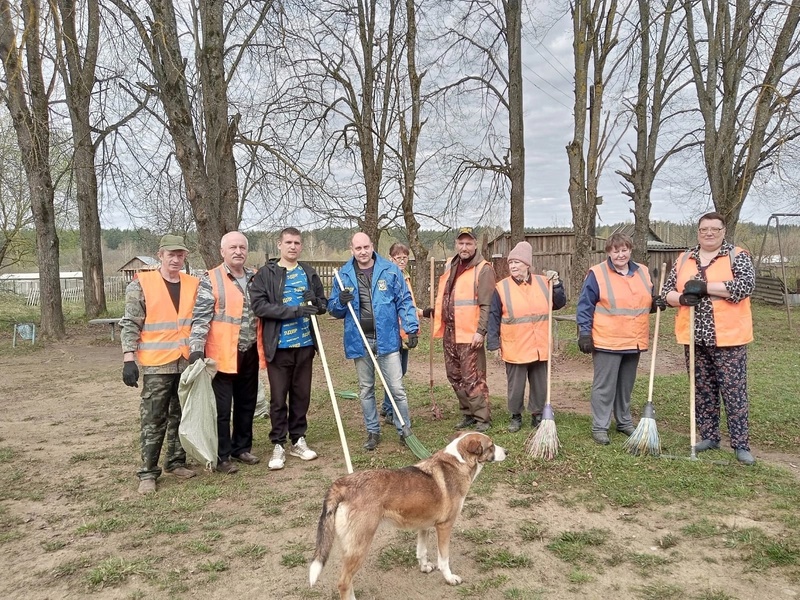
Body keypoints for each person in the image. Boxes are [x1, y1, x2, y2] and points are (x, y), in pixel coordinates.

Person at [662, 212, 756, 465]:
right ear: (698, 231)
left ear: (724, 231)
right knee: (702, 390)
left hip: (728, 337)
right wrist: (681, 298)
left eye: (715, 229)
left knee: (734, 392)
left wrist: (704, 287)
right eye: (704, 229)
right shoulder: (684, 258)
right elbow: (666, 292)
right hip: (694, 336)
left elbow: (745, 286)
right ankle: (709, 436)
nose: (709, 233)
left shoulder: (737, 256)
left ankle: (740, 444)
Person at [120, 234, 199, 495]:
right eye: (171, 254)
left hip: (185, 362)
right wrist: (128, 357)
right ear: (160, 255)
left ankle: (176, 461)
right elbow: (131, 322)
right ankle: (148, 472)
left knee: (180, 415)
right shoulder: (142, 284)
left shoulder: (193, 284)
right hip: (156, 365)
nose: (176, 259)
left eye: (180, 255)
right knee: (154, 418)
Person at [328, 232, 420, 450]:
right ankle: (372, 431)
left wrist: (411, 327)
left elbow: (404, 300)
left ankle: (404, 429)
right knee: (366, 389)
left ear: (372, 247)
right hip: (360, 340)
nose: (363, 252)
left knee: (396, 388)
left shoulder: (390, 271)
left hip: (387, 340)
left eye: (366, 247)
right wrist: (340, 302)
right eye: (358, 248)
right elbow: (334, 309)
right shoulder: (343, 275)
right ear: (352, 250)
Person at [250, 227, 327, 470]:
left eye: (297, 243)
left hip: (305, 345)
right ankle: (278, 443)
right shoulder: (267, 274)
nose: (293, 246)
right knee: (278, 397)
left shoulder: (308, 272)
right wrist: (294, 310)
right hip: (279, 345)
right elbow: (260, 306)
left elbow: (321, 304)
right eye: (288, 242)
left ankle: (298, 439)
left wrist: (314, 302)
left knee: (301, 395)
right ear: (279, 245)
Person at [577, 232, 662, 445]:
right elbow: (585, 305)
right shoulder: (597, 274)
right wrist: (584, 332)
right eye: (616, 251)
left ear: (630, 250)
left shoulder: (642, 271)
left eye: (624, 250)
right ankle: (600, 426)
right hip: (608, 340)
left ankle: (623, 422)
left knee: (625, 385)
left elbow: (641, 302)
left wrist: (655, 304)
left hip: (634, 340)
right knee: (604, 386)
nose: (620, 254)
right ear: (609, 252)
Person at [189, 231, 259, 474]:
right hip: (222, 354)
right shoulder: (211, 279)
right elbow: (200, 317)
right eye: (233, 247)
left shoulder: (254, 277)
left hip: (249, 351)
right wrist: (196, 349)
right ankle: (223, 456)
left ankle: (242, 447)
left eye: (242, 247)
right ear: (222, 251)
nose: (238, 251)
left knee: (246, 403)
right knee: (221, 408)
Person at [486, 241, 567, 432]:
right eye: (511, 263)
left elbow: (559, 303)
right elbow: (493, 316)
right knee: (516, 386)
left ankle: (538, 414)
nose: (513, 266)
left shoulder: (543, 282)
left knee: (540, 384)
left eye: (517, 262)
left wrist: (556, 285)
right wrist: (493, 343)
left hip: (539, 344)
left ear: (527, 264)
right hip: (515, 346)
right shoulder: (501, 288)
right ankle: (515, 415)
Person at [433, 226, 496, 432]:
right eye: (461, 243)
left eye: (469, 243)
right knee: (454, 375)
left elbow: (487, 305)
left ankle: (482, 418)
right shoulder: (451, 265)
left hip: (470, 333)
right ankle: (468, 412)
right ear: (456, 245)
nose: (464, 247)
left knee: (473, 377)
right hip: (451, 331)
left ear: (475, 245)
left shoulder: (483, 269)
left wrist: (481, 331)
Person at [380, 242, 431, 425]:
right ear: (391, 258)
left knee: (400, 372)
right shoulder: (389, 276)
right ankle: (392, 410)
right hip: (394, 332)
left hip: (405, 331)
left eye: (404, 257)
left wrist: (422, 312)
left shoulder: (405, 277)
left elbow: (406, 304)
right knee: (395, 373)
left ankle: (387, 407)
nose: (402, 260)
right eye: (398, 257)